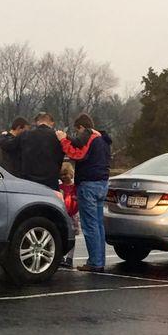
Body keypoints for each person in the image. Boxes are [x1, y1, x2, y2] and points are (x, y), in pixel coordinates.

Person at [56, 113, 112, 273]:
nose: (78, 135)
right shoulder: (103, 140)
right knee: (99, 225)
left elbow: (77, 154)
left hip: (89, 184)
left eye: (78, 131)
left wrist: (63, 140)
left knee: (90, 225)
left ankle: (95, 262)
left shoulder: (90, 137)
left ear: (81, 127)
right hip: (102, 183)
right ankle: (99, 261)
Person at [18, 112, 64, 190]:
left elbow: (9, 145)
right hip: (51, 180)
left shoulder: (26, 135)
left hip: (30, 180)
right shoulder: (57, 136)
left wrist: (4, 135)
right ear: (52, 123)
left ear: (37, 122)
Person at [59, 162, 80, 269]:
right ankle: (61, 256)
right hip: (64, 214)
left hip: (73, 214)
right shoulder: (60, 187)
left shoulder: (74, 187)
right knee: (62, 235)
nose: (64, 177)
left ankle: (70, 258)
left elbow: (77, 199)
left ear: (71, 174)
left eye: (66, 174)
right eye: (62, 175)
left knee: (72, 236)